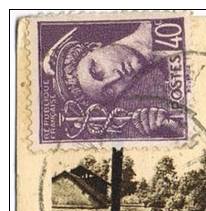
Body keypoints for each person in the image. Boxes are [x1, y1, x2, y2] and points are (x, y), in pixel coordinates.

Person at [42, 21, 183, 137]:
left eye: (96, 71)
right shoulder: (174, 80)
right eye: (109, 91)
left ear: (94, 47)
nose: (115, 78)